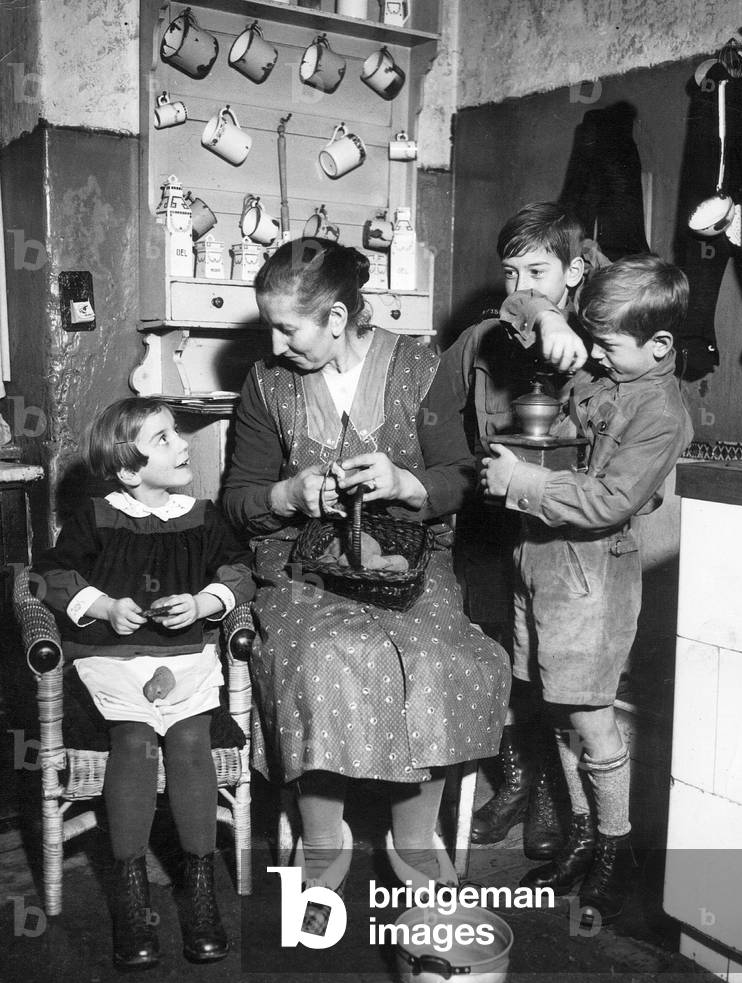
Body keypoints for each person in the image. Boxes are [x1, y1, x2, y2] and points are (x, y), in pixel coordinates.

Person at [223, 238, 511, 923]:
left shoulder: (419, 367)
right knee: (321, 655)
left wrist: (406, 482)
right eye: (270, 327)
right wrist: (288, 494)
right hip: (303, 567)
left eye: (287, 328)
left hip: (410, 562)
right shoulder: (267, 384)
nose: (274, 343)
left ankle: (413, 843)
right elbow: (236, 498)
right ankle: (324, 846)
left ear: (336, 318)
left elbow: (461, 475)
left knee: (436, 657)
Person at [482, 254, 694, 926]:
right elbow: (512, 308)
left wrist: (521, 482)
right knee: (554, 708)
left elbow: (608, 500)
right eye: (591, 341)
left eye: (607, 345)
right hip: (537, 559)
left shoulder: (660, 411)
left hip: (592, 577)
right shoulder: (607, 365)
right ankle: (580, 835)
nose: (594, 355)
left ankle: (613, 850)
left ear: (658, 344)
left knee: (592, 721)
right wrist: (548, 317)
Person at [34, 397, 256, 969]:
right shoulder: (96, 517)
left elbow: (241, 572)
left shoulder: (202, 516)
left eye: (176, 432)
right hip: (112, 660)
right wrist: (105, 606)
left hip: (183, 658)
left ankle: (199, 891)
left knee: (189, 739)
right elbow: (49, 576)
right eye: (164, 438)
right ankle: (132, 898)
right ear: (129, 470)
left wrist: (205, 602)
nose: (183, 444)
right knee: (133, 741)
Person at [440, 202, 601, 858]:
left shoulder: (601, 341)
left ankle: (547, 794)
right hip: (490, 525)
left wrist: (555, 322)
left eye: (537, 270)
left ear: (575, 271)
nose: (520, 285)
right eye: (510, 272)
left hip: (560, 533)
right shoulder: (487, 337)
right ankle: (512, 779)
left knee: (546, 666)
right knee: (491, 654)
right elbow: (436, 422)